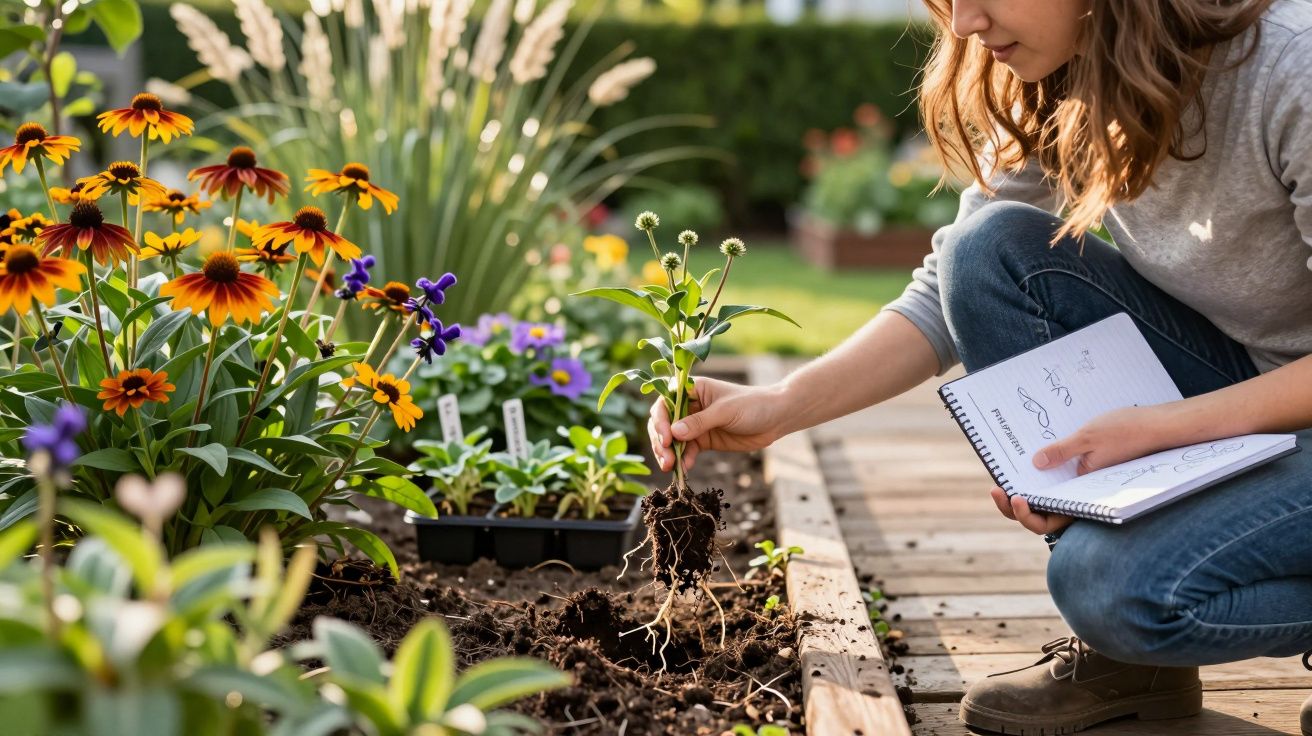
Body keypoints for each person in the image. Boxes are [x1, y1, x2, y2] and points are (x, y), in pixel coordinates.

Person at [649, 0, 1312, 733]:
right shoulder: (1065, 74)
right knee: (987, 251)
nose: (963, 24)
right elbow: (947, 291)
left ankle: (1131, 624)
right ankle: (1138, 666)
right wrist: (779, 404)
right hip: (1253, 382)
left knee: (1110, 585)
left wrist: (1163, 429)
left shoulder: (1292, 65)